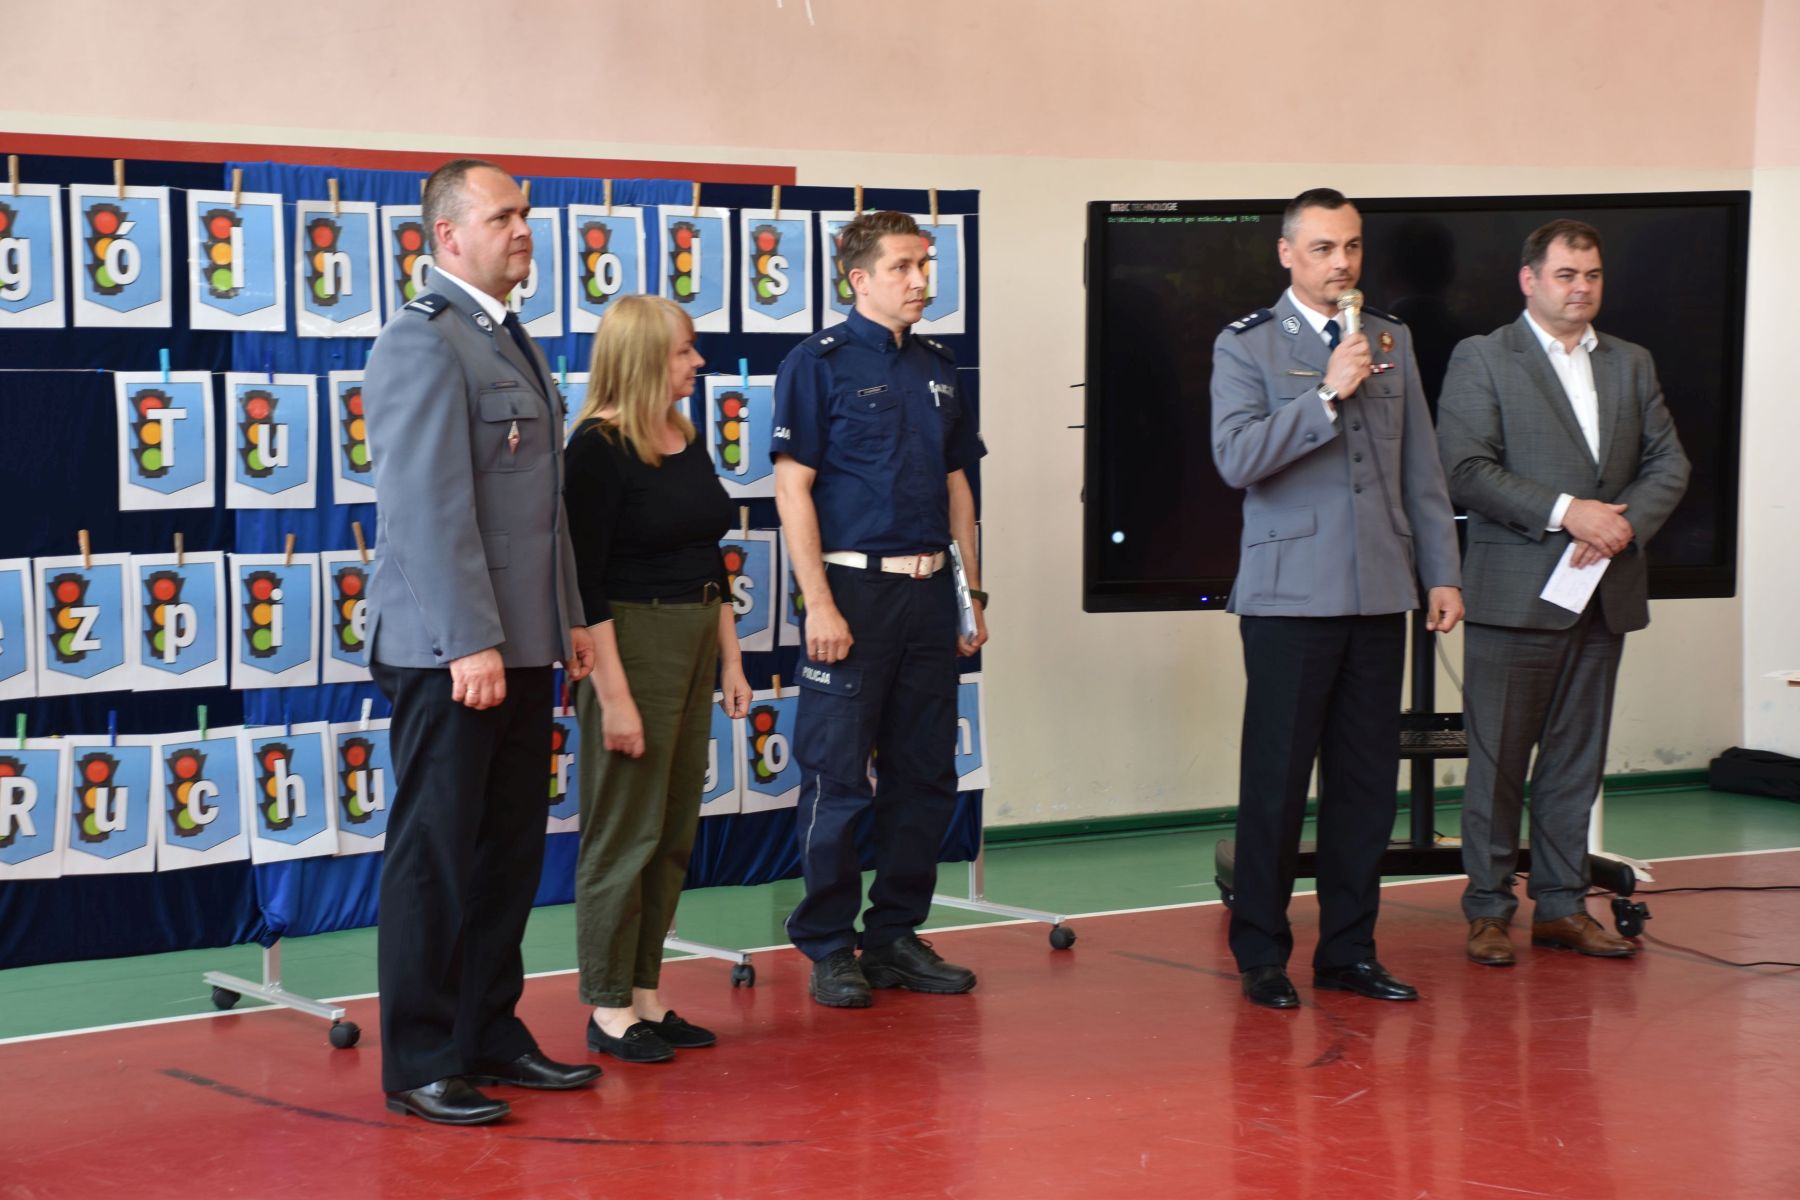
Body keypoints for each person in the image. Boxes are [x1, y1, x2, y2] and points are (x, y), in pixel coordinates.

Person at [364, 159, 601, 1125]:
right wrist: (470, 642)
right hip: (451, 649)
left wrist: (569, 616)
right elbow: (426, 510)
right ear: (448, 236)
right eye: (502, 216)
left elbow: (542, 508)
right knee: (436, 853)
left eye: (525, 214)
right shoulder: (422, 340)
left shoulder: (509, 337)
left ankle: (487, 1032)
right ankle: (422, 1058)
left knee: (506, 851)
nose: (523, 229)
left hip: (522, 639)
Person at [1211, 188, 1463, 1010]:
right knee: (1277, 784)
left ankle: (1349, 951)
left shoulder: (1391, 337)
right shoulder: (1246, 344)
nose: (1341, 263)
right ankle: (1261, 953)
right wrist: (1324, 394)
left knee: (1365, 787)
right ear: (1288, 254)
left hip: (1379, 589)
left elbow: (1421, 467)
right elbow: (1236, 459)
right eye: (1323, 248)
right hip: (1288, 597)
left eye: (1351, 246)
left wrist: (1441, 572)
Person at [1437, 219, 1689, 965]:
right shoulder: (1483, 356)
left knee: (1575, 764)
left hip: (1602, 591)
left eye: (1592, 276)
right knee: (1499, 766)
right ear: (1530, 280)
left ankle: (1560, 907)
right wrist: (1568, 512)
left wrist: (1619, 528)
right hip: (1515, 596)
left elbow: (1669, 464)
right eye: (1566, 275)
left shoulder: (1631, 362)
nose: (1582, 289)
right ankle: (1488, 910)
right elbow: (1466, 469)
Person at [770, 210, 989, 1008]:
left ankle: (895, 934)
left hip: (930, 596)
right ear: (858, 278)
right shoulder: (816, 363)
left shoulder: (939, 367)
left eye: (924, 265)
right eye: (902, 267)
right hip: (853, 596)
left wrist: (971, 595)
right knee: (836, 778)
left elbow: (959, 487)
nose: (920, 281)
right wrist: (819, 605)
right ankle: (830, 945)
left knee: (924, 775)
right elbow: (792, 488)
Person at [563, 294, 753, 1062]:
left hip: (696, 638)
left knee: (672, 832)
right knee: (625, 833)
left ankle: (645, 993)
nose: (697, 361)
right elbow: (584, 587)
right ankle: (608, 1006)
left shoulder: (684, 436)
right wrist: (614, 698)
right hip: (632, 646)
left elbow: (710, 559)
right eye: (683, 350)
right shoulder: (596, 451)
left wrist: (731, 659)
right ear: (644, 358)